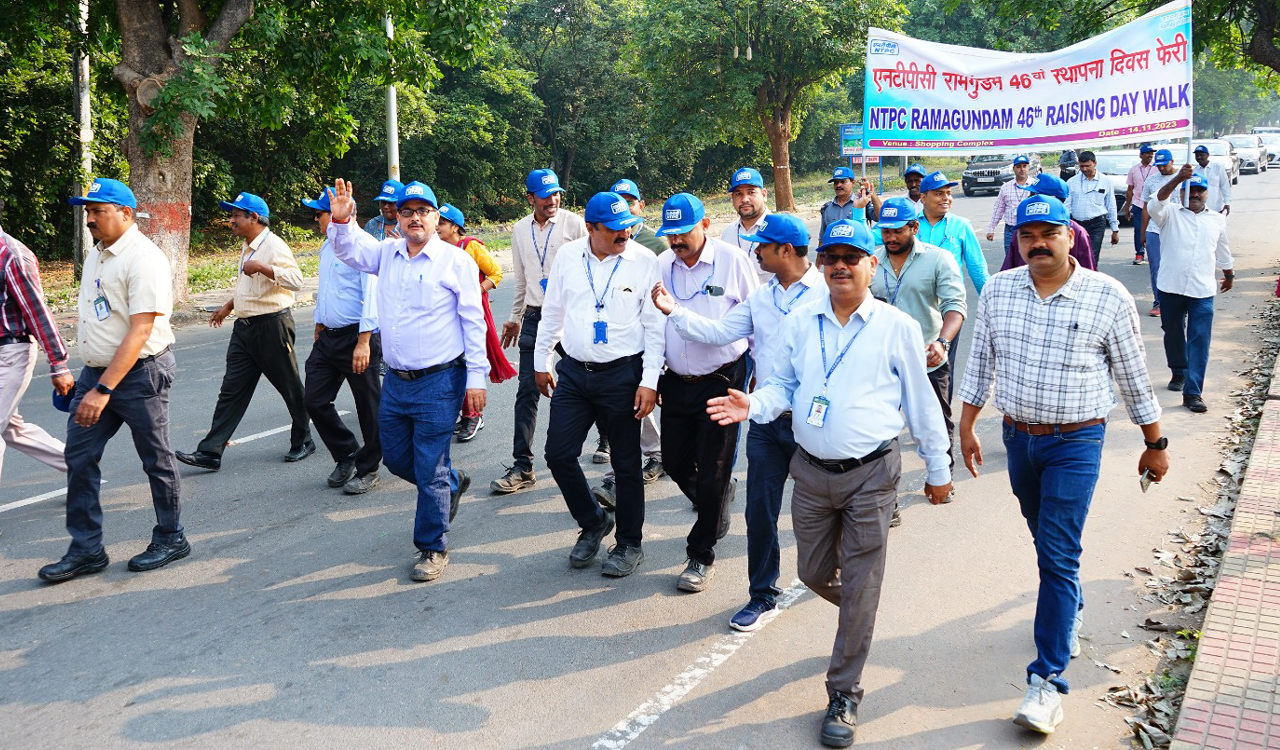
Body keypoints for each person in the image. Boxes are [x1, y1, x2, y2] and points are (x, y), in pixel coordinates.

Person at [707, 218, 953, 749]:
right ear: (820, 264)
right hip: (813, 474)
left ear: (870, 265)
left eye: (851, 256)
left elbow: (921, 403)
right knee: (812, 570)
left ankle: (844, 691)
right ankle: (860, 613)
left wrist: (939, 469)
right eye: (830, 257)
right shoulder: (803, 321)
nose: (839, 266)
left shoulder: (896, 327)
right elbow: (784, 384)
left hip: (872, 474)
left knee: (861, 579)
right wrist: (756, 403)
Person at [958, 193, 1168, 735]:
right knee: (1044, 537)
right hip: (1019, 441)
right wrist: (967, 424)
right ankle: (1069, 607)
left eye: (1048, 233)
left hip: (1077, 442)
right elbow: (981, 360)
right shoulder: (1000, 291)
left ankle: (1046, 682)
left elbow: (1133, 376)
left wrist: (1156, 442)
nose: (1037, 244)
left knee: (1056, 549)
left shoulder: (1107, 296)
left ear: (1070, 235)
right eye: (1026, 236)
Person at [652, 213, 823, 628]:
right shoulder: (761, 299)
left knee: (818, 510)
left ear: (785, 250)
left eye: (762, 245)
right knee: (760, 511)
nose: (755, 250)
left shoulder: (826, 294)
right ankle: (762, 594)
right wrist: (674, 311)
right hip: (765, 417)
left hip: (816, 423)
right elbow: (718, 332)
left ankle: (831, 572)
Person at [327, 179, 488, 583]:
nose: (415, 218)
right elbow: (348, 250)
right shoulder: (387, 254)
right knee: (398, 458)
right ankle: (452, 483)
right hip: (397, 381)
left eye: (423, 211)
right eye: (407, 211)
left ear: (437, 217)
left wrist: (477, 378)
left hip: (440, 381)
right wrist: (343, 220)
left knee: (429, 463)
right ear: (397, 218)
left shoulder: (456, 261)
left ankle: (432, 547)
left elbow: (474, 322)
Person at [38, 177, 187, 582]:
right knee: (79, 456)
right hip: (96, 374)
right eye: (87, 211)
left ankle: (171, 536)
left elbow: (139, 331)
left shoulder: (144, 258)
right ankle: (86, 548)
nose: (90, 219)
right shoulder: (98, 255)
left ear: (125, 213)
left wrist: (103, 391)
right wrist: (76, 371)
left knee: (155, 458)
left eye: (97, 211)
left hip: (140, 374)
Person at [533, 192, 664, 578]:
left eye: (628, 227)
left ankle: (629, 544)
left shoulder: (644, 261)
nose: (625, 234)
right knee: (557, 453)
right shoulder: (569, 257)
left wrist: (649, 382)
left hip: (623, 375)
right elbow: (552, 311)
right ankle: (593, 521)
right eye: (615, 230)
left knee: (626, 464)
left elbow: (655, 328)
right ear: (591, 228)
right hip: (574, 372)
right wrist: (542, 361)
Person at [646, 193, 758, 592]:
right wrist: (653, 376)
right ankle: (716, 499)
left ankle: (700, 554)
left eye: (683, 233)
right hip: (677, 381)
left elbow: (755, 316)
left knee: (712, 469)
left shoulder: (732, 261)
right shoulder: (661, 265)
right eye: (670, 234)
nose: (676, 242)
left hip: (722, 379)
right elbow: (653, 325)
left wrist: (759, 370)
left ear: (705, 225)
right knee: (675, 462)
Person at [176, 191, 313, 471]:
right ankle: (210, 452)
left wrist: (263, 267)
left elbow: (297, 280)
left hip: (272, 326)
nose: (231, 220)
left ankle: (304, 439)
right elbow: (249, 286)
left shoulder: (273, 246)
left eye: (237, 215)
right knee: (231, 390)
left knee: (290, 387)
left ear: (254, 217)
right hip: (245, 329)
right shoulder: (248, 245)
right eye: (232, 215)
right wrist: (229, 305)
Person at [492, 169, 589, 495]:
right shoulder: (520, 230)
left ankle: (606, 442)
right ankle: (523, 465)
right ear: (530, 198)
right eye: (545, 195)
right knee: (526, 392)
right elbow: (521, 279)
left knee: (591, 382)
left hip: (573, 317)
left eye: (556, 193)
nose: (553, 200)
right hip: (536, 316)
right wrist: (515, 317)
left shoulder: (575, 224)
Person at [870, 197, 965, 468]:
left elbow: (955, 306)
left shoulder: (938, 259)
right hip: (882, 361)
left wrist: (942, 342)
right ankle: (883, 491)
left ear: (913, 227)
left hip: (927, 358)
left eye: (897, 230)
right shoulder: (871, 261)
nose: (890, 237)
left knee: (935, 421)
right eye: (885, 231)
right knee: (879, 429)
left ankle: (943, 474)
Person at [302, 187, 383, 495]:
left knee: (368, 406)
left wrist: (364, 341)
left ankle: (369, 467)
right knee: (314, 399)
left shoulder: (364, 245)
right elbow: (329, 288)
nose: (317, 220)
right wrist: (320, 322)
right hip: (328, 339)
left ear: (340, 214)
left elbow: (370, 296)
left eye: (320, 214)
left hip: (356, 338)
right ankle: (347, 453)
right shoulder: (326, 247)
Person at [595, 179, 664, 494]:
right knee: (622, 407)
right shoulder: (598, 247)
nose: (626, 205)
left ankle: (653, 458)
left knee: (635, 403)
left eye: (630, 200)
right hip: (609, 340)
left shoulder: (654, 245)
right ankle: (627, 466)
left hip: (642, 340)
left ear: (641, 205)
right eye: (619, 200)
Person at [1149, 167, 1234, 413]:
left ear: (1207, 194)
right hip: (1171, 287)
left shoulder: (1217, 219)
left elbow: (1222, 249)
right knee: (1173, 332)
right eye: (1190, 190)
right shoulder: (1169, 214)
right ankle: (1179, 371)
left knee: (1199, 340)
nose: (1195, 194)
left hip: (1202, 290)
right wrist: (1178, 178)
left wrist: (1229, 274)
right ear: (1182, 192)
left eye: (1200, 190)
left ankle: (1193, 392)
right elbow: (1155, 203)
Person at [0, 205, 73, 488]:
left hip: (11, 353)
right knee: (12, 430)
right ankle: (78, 465)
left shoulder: (12, 255)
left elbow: (37, 312)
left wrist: (59, 363)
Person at [436, 203, 516, 441]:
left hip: (473, 313)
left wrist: (474, 292)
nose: (437, 227)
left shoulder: (470, 246)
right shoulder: (435, 249)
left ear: (455, 227)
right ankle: (461, 414)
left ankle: (473, 415)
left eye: (442, 223)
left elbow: (496, 274)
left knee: (469, 361)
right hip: (445, 316)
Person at [916, 171, 988, 399]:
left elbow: (977, 268)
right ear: (923, 197)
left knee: (943, 363)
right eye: (939, 193)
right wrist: (860, 210)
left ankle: (941, 417)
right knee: (910, 363)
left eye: (948, 193)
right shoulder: (910, 226)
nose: (946, 198)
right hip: (915, 304)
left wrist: (990, 305)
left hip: (949, 307)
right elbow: (874, 241)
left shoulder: (961, 226)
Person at [999, 174, 1096, 272]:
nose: (1037, 244)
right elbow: (1009, 268)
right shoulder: (1022, 229)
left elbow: (1088, 272)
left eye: (1050, 234)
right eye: (1028, 236)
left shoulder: (1077, 231)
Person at [1140, 149, 1182, 318]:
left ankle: (1177, 300)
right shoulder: (1151, 181)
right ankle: (1158, 301)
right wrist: (1142, 233)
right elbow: (1145, 208)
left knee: (1177, 265)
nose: (1162, 168)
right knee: (1156, 267)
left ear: (1172, 161)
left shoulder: (1183, 178)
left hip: (1176, 229)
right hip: (1154, 230)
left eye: (1165, 164)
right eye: (1159, 165)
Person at [1064, 150, 1119, 264]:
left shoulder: (1106, 181)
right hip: (1077, 225)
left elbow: (1111, 205)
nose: (1084, 169)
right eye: (1081, 166)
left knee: (1092, 257)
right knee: (1076, 257)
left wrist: (1115, 229)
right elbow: (1067, 205)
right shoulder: (1072, 182)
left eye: (1087, 166)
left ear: (1095, 163)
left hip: (1096, 224)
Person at [720, 167, 774, 283]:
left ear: (764, 195)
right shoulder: (728, 234)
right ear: (732, 198)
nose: (744, 199)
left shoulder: (778, 230)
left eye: (751, 192)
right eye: (738, 194)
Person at [986, 155, 1035, 252]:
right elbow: (998, 209)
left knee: (1029, 260)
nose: (1022, 169)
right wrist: (991, 229)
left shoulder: (1035, 186)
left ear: (1028, 167)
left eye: (1024, 166)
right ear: (1013, 169)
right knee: (1010, 260)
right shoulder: (1006, 187)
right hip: (1010, 230)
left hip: (1030, 229)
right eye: (1018, 167)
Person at [610, 179, 665, 254]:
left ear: (641, 206)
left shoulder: (658, 243)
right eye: (617, 204)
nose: (623, 209)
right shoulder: (600, 239)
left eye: (629, 203)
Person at [1123, 144, 1157, 264]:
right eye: (1147, 153)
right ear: (1141, 155)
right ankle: (1139, 253)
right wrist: (1127, 207)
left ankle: (1154, 253)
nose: (1150, 155)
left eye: (1151, 153)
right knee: (1138, 230)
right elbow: (1130, 189)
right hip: (1138, 204)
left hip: (1154, 205)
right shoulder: (1134, 170)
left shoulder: (1157, 168)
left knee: (1154, 230)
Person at [818, 167, 873, 238]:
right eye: (836, 182)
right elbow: (823, 238)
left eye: (843, 181)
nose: (838, 185)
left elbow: (878, 218)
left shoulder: (862, 203)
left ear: (853, 183)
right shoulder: (827, 208)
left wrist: (872, 194)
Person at [1192, 145, 1233, 216]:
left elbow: (1225, 186)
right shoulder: (1194, 172)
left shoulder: (1218, 169)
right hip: (1200, 211)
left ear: (1207, 155)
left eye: (1201, 155)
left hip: (1216, 209)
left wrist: (1227, 203)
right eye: (1197, 155)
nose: (1199, 157)